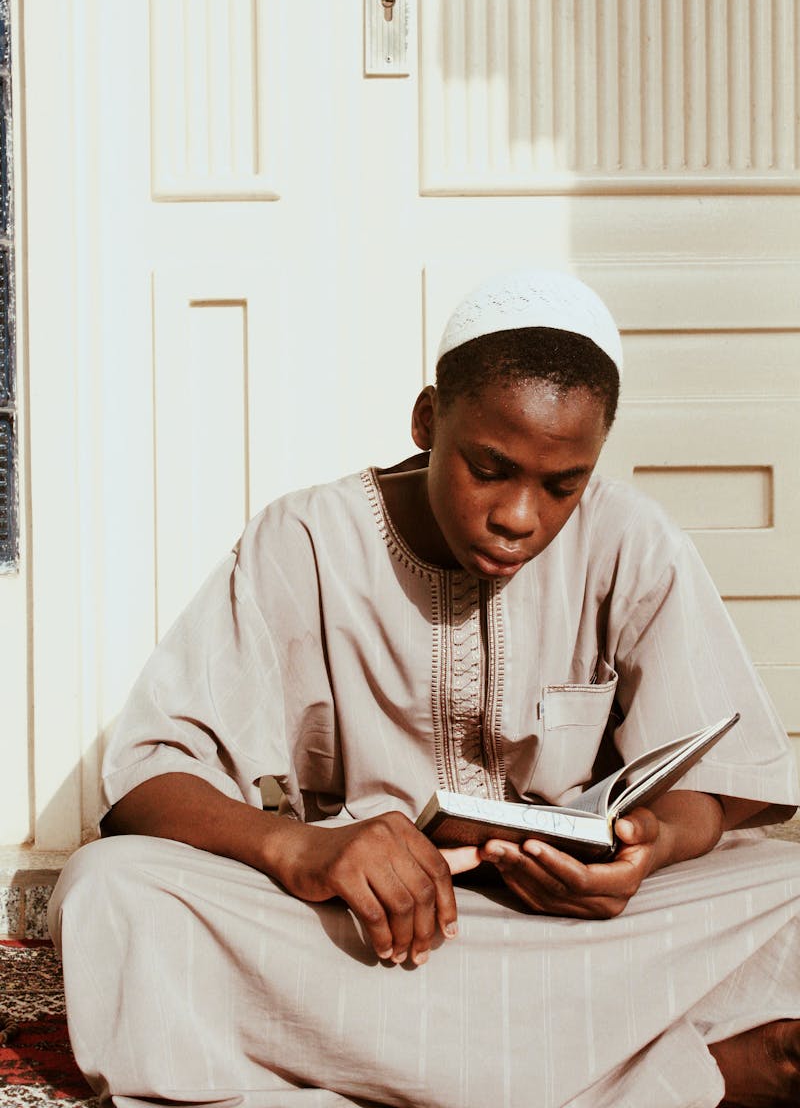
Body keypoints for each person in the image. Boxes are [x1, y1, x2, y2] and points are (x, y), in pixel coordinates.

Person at [50, 270, 800, 1108]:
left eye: (562, 486)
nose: (520, 515)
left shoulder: (632, 539)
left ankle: (362, 1078)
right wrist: (304, 850)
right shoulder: (306, 540)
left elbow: (722, 786)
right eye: (491, 468)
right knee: (111, 891)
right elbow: (149, 782)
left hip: (583, 935)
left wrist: (650, 847)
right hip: (367, 935)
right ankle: (678, 1077)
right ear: (427, 421)